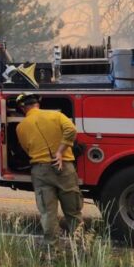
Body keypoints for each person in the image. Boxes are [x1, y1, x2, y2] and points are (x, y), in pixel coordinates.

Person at [15, 93, 84, 251]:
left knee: (48, 213)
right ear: (38, 103)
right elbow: (71, 130)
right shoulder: (56, 115)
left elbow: (26, 148)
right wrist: (60, 151)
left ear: (22, 108)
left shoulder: (20, 127)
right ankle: (81, 248)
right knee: (73, 212)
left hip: (40, 171)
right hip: (64, 167)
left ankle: (52, 251)